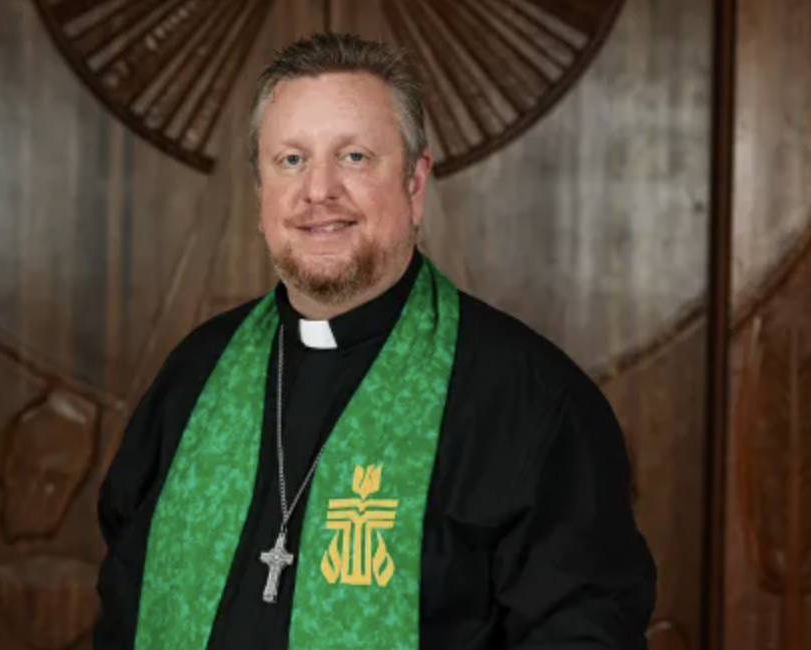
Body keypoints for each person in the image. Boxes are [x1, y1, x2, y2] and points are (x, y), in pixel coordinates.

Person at [94, 32, 656, 650]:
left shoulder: (531, 400)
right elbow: (124, 600)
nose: (319, 190)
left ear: (415, 183)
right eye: (291, 160)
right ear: (260, 192)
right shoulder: (195, 375)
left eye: (355, 157)